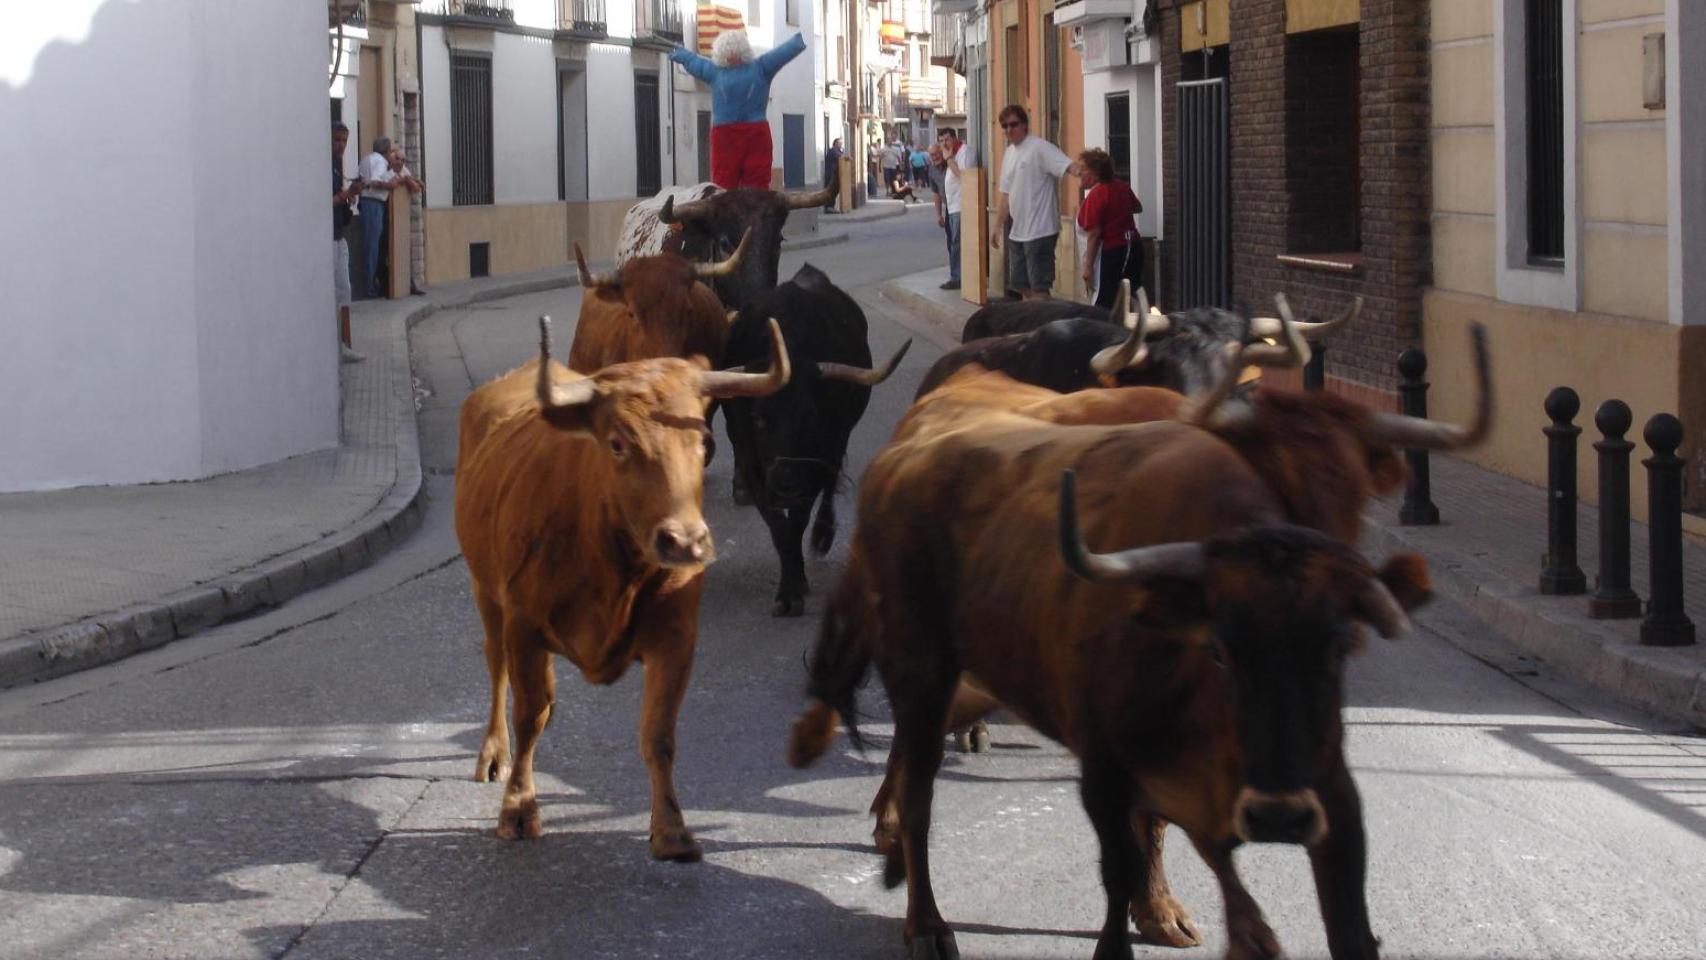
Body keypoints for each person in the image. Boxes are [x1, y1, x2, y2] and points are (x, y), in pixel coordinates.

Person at [670, 30, 806, 190]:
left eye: (732, 52)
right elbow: (781, 54)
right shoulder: (761, 68)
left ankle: (739, 206)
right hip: (750, 134)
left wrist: (681, 54)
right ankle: (750, 206)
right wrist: (796, 42)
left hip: (731, 135)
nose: (730, 56)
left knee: (734, 181)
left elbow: (696, 63)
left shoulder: (716, 71)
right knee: (743, 180)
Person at [989, 104, 1082, 299]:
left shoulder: (1039, 147)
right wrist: (997, 226)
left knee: (1039, 287)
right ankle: (1034, 322)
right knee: (1021, 285)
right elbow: (1006, 193)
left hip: (1041, 230)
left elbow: (1068, 166)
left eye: (1013, 124)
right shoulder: (1009, 153)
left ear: (1024, 125)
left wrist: (1090, 175)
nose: (1009, 130)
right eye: (1004, 126)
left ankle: (1043, 326)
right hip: (1018, 232)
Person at [1075, 147, 1144, 309]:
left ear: (1095, 173)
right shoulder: (1121, 187)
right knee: (1130, 295)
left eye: (1083, 169)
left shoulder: (1097, 194)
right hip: (1134, 246)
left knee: (1104, 299)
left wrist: (1088, 267)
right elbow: (1137, 207)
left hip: (1113, 250)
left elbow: (1094, 234)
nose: (1079, 172)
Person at [331, 123, 364, 363]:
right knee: (336, 293)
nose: (341, 145)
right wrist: (346, 193)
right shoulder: (325, 166)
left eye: (344, 141)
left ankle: (343, 344)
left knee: (344, 292)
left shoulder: (335, 167)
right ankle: (338, 346)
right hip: (330, 239)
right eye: (337, 140)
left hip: (339, 235)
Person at [357, 136, 401, 297]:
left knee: (370, 245)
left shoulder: (366, 159)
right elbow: (375, 181)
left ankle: (370, 284)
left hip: (365, 202)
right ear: (386, 151)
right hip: (373, 203)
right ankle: (369, 287)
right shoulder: (380, 162)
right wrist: (391, 185)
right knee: (372, 247)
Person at [936, 128, 976, 291]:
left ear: (954, 138)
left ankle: (957, 277)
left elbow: (964, 175)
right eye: (941, 141)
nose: (944, 144)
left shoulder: (964, 152)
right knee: (953, 242)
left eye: (947, 139)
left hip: (962, 205)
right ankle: (957, 276)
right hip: (952, 207)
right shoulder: (951, 154)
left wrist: (950, 159)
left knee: (957, 243)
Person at [384, 149, 426, 295]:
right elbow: (392, 184)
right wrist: (405, 180)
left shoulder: (404, 171)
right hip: (388, 220)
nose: (401, 163)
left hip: (401, 219)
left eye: (403, 160)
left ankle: (410, 285)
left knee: (406, 253)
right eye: (398, 159)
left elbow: (416, 188)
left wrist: (409, 179)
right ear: (391, 160)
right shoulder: (386, 172)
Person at [822, 138, 844, 212]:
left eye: (841, 143)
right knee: (830, 190)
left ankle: (831, 206)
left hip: (834, 174)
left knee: (833, 191)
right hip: (830, 174)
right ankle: (828, 207)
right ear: (835, 143)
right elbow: (840, 157)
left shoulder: (837, 150)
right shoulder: (833, 151)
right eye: (840, 143)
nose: (841, 145)